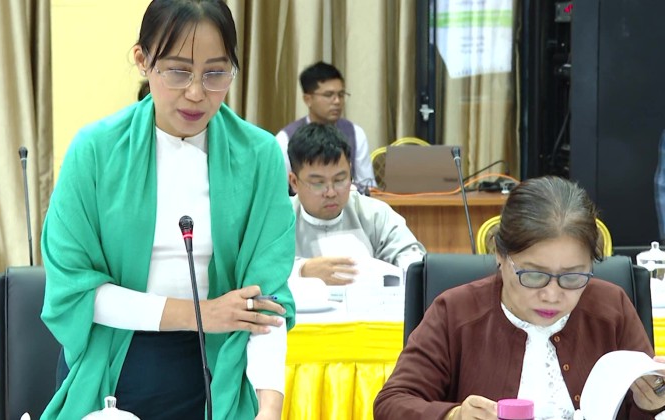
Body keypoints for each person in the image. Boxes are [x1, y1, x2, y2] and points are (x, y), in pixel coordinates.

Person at [40, 1, 296, 419]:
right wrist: (203, 314)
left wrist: (269, 407)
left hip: (221, 368)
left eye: (216, 74)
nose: (196, 93)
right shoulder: (95, 151)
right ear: (143, 60)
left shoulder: (260, 155)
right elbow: (75, 290)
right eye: (178, 71)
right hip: (113, 363)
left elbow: (265, 302)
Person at [373, 176, 665, 419]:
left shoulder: (611, 307)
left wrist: (652, 404)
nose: (552, 295)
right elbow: (391, 403)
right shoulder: (455, 312)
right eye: (534, 276)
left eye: (572, 277)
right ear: (501, 256)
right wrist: (453, 415)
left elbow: (640, 405)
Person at [287, 123, 425, 285]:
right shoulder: (278, 219)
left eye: (340, 180)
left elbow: (413, 260)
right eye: (318, 183)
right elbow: (262, 269)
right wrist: (301, 270)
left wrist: (408, 266)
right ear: (294, 182)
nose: (331, 192)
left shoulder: (374, 214)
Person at [276, 61, 375, 190]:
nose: (337, 101)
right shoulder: (285, 139)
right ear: (308, 99)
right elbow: (279, 191)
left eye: (341, 94)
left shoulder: (355, 133)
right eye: (328, 95)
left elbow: (367, 186)